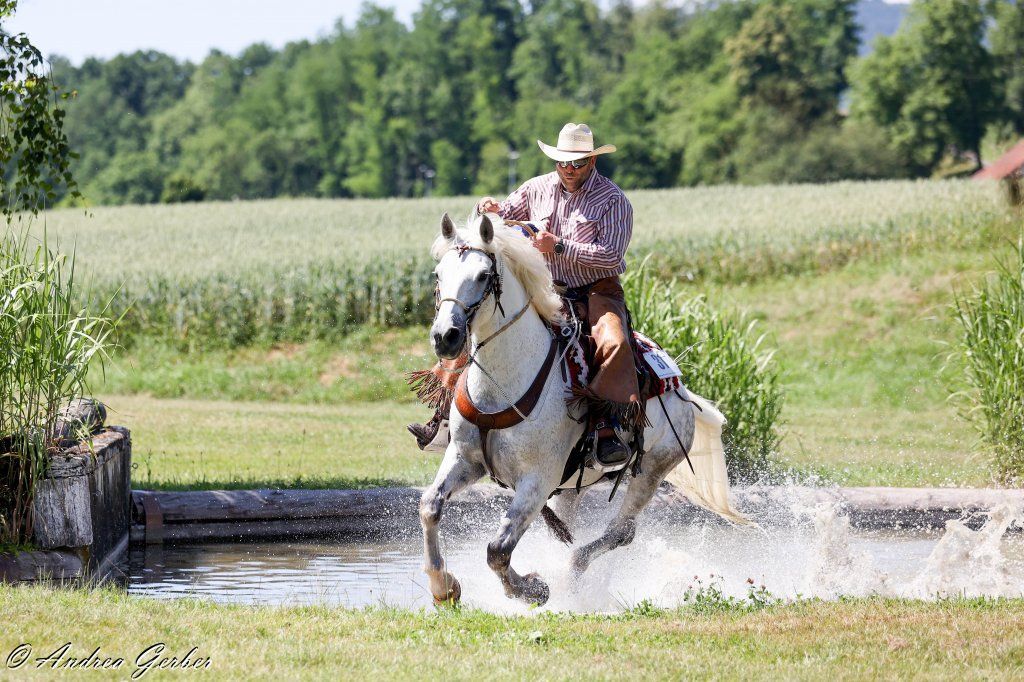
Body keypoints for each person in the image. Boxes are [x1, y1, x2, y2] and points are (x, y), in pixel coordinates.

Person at [409, 122, 641, 468]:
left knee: (613, 342)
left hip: (596, 290)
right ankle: (445, 416)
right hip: (542, 286)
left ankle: (606, 428)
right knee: (480, 324)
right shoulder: (536, 188)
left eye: (576, 162)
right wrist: (493, 209)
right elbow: (505, 214)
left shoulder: (612, 201)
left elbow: (611, 254)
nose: (568, 169)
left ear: (592, 162)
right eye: (562, 162)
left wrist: (559, 245)